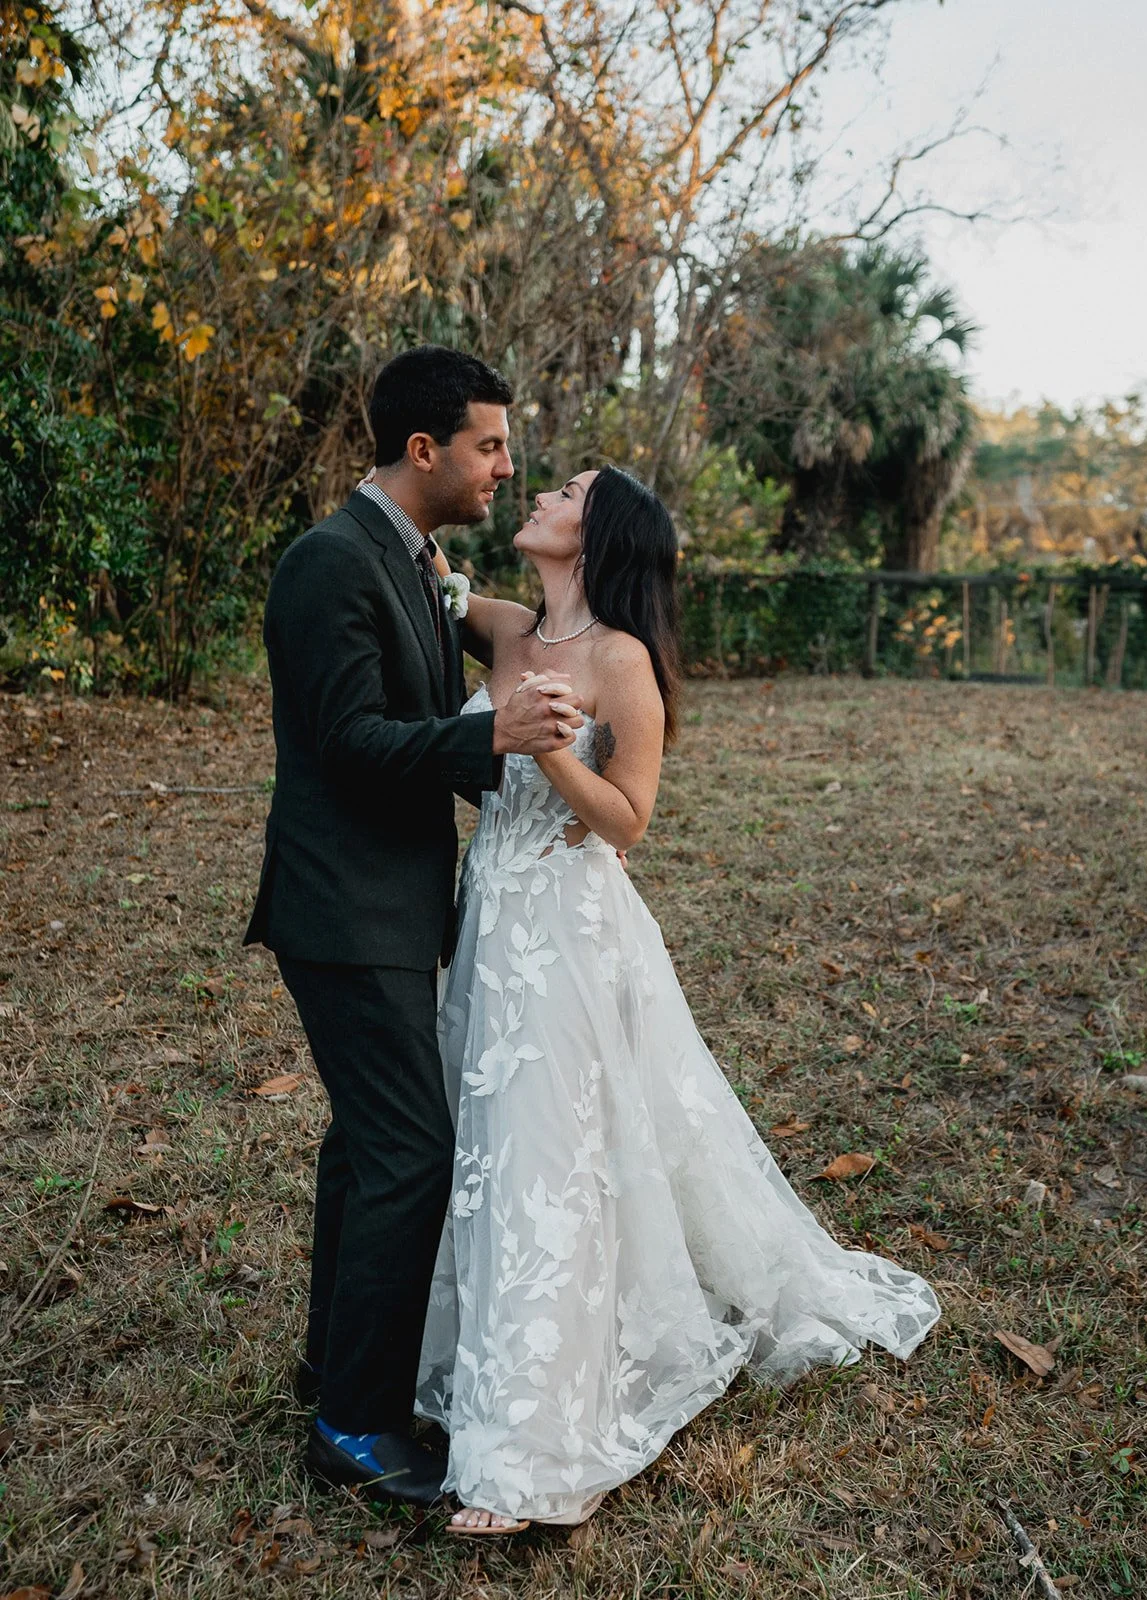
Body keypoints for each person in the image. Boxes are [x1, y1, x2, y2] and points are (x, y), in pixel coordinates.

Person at [416, 466, 942, 1532]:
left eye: (563, 491)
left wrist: (552, 750)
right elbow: (423, 569)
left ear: (596, 532)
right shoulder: (511, 628)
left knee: (548, 1159)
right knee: (488, 1144)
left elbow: (629, 820)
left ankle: (542, 1445)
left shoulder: (624, 663)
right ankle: (488, 1365)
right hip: (491, 920)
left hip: (568, 928)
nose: (541, 492)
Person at [244, 345, 586, 1505]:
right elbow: (345, 743)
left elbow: (412, 712)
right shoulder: (327, 563)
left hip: (390, 902)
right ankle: (353, 1424)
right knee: (409, 1150)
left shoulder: (418, 560)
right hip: (341, 906)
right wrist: (482, 740)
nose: (504, 464)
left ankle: (328, 1367)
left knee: (365, 1143)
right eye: (489, 445)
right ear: (426, 448)